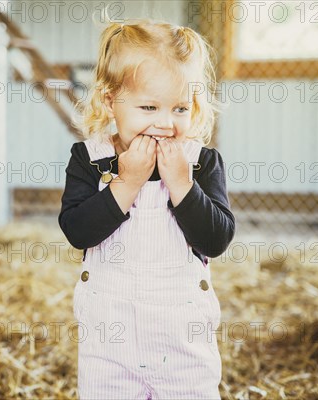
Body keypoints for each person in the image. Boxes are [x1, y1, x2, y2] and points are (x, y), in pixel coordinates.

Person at [58, 19, 235, 399]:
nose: (166, 123)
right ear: (110, 101)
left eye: (180, 108)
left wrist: (182, 185)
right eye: (149, 106)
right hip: (109, 344)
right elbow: (78, 231)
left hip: (182, 344)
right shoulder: (90, 159)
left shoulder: (201, 163)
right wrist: (127, 182)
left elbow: (217, 238)